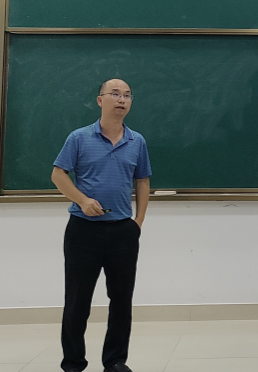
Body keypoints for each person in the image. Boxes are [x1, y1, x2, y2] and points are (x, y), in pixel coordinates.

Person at [51, 78, 151, 372]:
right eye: (115, 94)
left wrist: (138, 221)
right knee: (77, 300)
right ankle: (73, 363)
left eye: (127, 95)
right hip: (84, 230)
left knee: (121, 300)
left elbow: (143, 181)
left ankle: (116, 361)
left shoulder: (137, 141)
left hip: (123, 231)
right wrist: (82, 200)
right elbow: (58, 175)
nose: (121, 100)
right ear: (100, 100)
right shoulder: (79, 138)